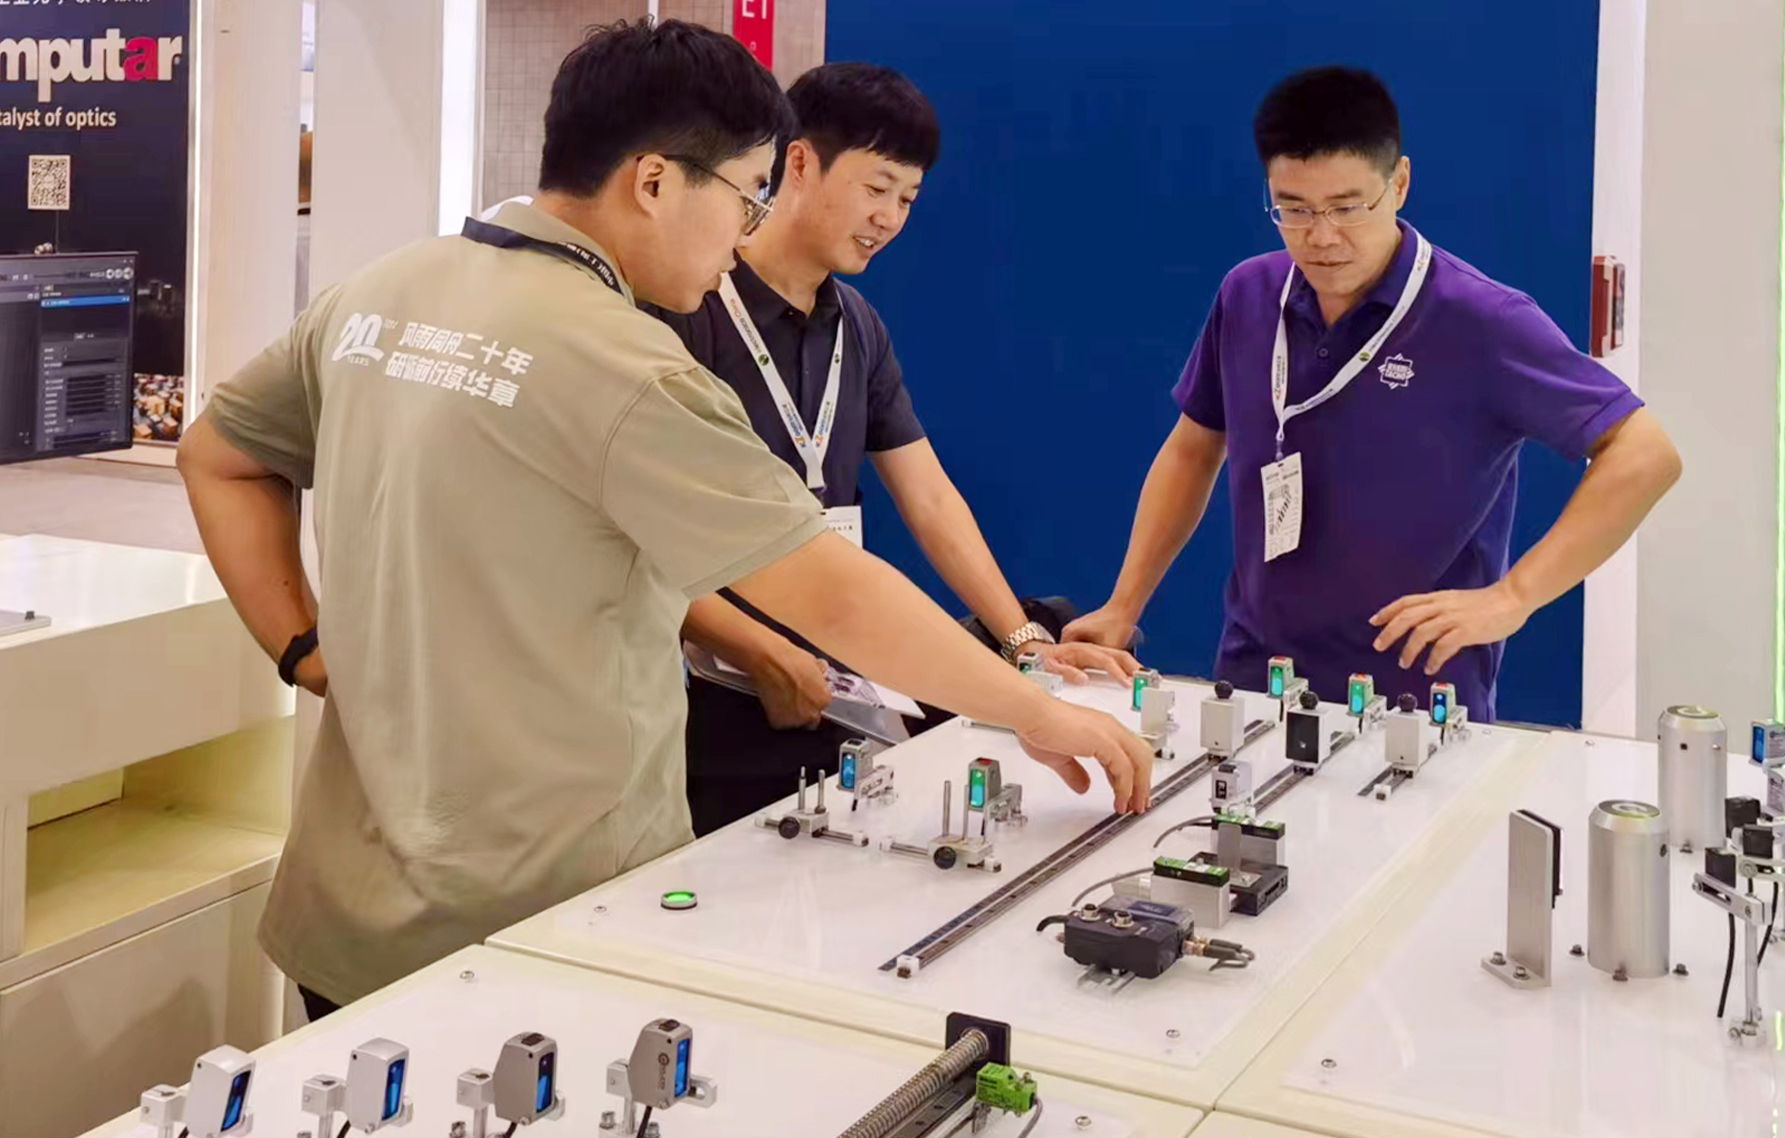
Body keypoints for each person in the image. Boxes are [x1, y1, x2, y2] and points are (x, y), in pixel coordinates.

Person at [177, 19, 1152, 1021]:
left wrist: (301, 648)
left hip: (346, 910)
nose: (743, 231)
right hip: (541, 920)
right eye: (745, 193)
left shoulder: (379, 295)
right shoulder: (626, 364)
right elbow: (827, 591)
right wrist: (1033, 709)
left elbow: (217, 455)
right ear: (653, 181)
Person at [1065, 67, 1682, 721]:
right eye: (1294, 209)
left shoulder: (1481, 318)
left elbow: (1645, 454)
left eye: (1347, 207)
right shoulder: (1249, 295)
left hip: (1415, 688)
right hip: (1256, 673)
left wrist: (1515, 595)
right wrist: (1124, 605)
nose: (1322, 236)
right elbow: (1193, 449)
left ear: (1400, 183)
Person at [659, 62, 1141, 835]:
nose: (888, 218)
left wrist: (1022, 642)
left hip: (839, 679)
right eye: (876, 188)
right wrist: (756, 648)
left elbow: (929, 497)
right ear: (799, 162)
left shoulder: (857, 325)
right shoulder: (690, 305)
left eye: (908, 200)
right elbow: (645, 535)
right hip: (709, 696)